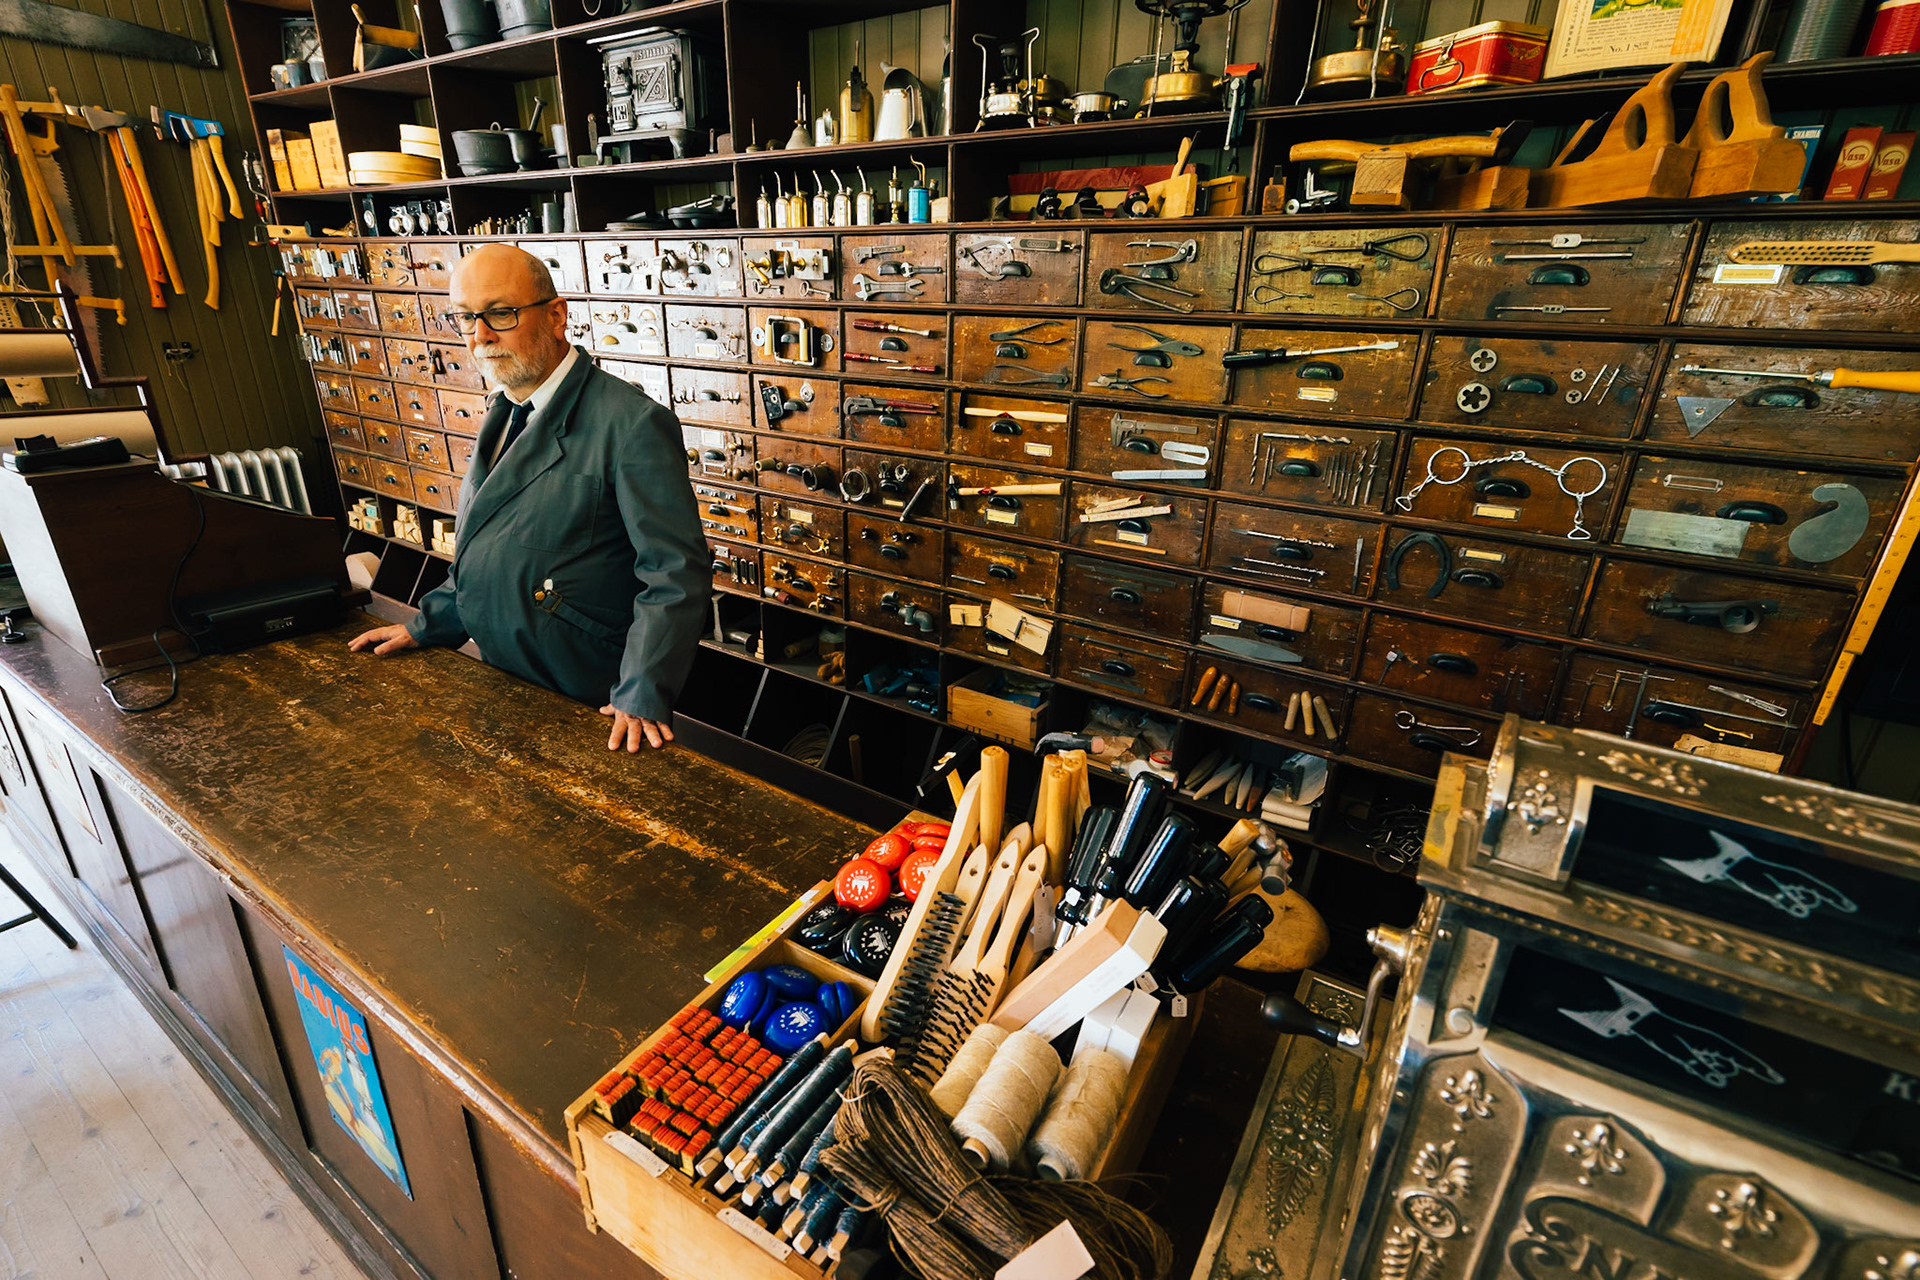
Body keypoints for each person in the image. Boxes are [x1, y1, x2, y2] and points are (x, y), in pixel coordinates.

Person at [349, 244, 708, 751]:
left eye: (501, 313)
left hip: (590, 696)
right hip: (504, 677)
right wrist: (427, 627)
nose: (480, 335)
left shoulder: (632, 425)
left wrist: (642, 689)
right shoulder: (504, 407)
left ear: (557, 316)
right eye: (466, 318)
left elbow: (674, 571)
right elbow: (486, 548)